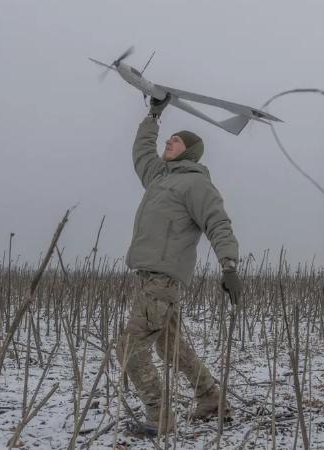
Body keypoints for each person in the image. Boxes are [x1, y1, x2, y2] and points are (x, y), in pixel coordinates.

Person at [116, 94, 243, 436]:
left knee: (130, 347)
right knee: (170, 346)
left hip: (162, 279)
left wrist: (228, 265)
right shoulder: (159, 177)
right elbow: (142, 151)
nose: (169, 141)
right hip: (149, 277)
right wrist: (153, 115)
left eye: (176, 141)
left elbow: (218, 222)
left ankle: (159, 417)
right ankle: (211, 400)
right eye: (170, 138)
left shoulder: (196, 183)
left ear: (188, 151)